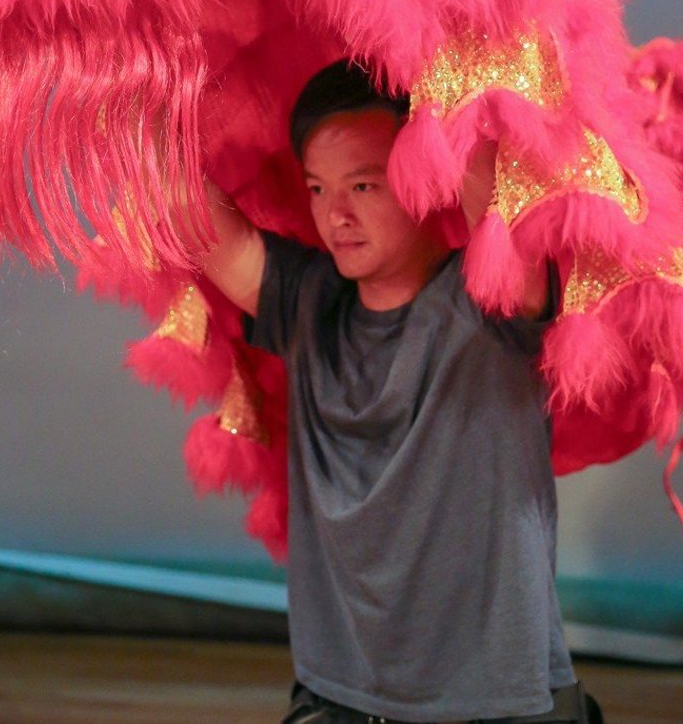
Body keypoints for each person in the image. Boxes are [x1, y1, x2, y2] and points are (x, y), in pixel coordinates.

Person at [202, 59, 603, 724]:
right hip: (340, 699)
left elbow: (490, 182)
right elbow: (186, 218)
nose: (338, 215)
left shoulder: (490, 304)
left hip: (500, 705)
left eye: (363, 185)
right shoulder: (307, 301)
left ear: (424, 177)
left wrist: (422, 42)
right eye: (318, 187)